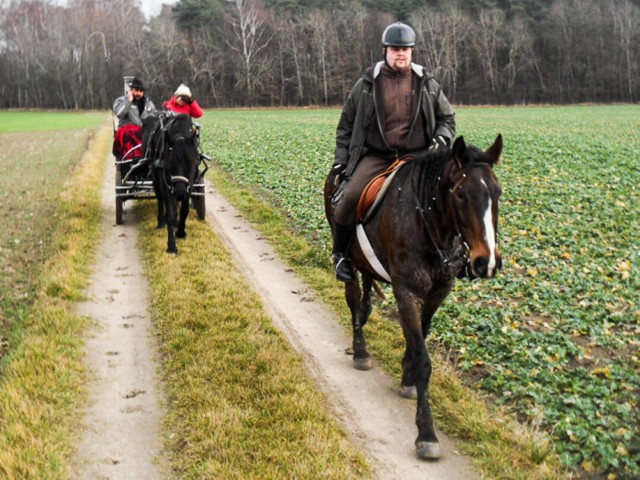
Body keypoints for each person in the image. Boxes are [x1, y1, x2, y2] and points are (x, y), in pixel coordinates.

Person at [329, 21, 456, 282]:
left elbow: (447, 119)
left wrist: (442, 139)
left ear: (412, 52)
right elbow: (345, 127)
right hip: (377, 157)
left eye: (406, 49)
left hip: (418, 158)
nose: (401, 53)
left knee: (457, 196)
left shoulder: (427, 83)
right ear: (385, 51)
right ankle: (341, 255)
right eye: (395, 49)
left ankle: (460, 259)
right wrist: (341, 162)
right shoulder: (366, 85)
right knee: (349, 199)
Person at [113, 77, 156, 161]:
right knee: (131, 133)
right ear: (131, 90)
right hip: (127, 131)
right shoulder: (120, 101)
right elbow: (119, 114)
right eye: (136, 91)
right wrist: (128, 101)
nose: (138, 94)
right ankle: (134, 157)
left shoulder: (148, 103)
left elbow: (154, 118)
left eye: (141, 91)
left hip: (144, 131)